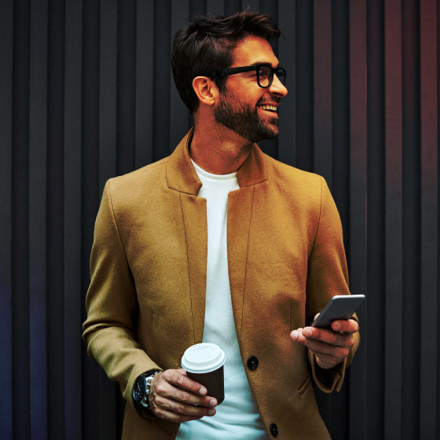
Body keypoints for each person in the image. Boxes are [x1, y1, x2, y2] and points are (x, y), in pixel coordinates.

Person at [82, 10, 360, 440]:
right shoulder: (125, 199)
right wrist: (144, 382)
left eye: (278, 73)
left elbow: (334, 328)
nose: (280, 88)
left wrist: (334, 351)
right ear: (207, 89)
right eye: (262, 75)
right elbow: (104, 324)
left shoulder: (311, 196)